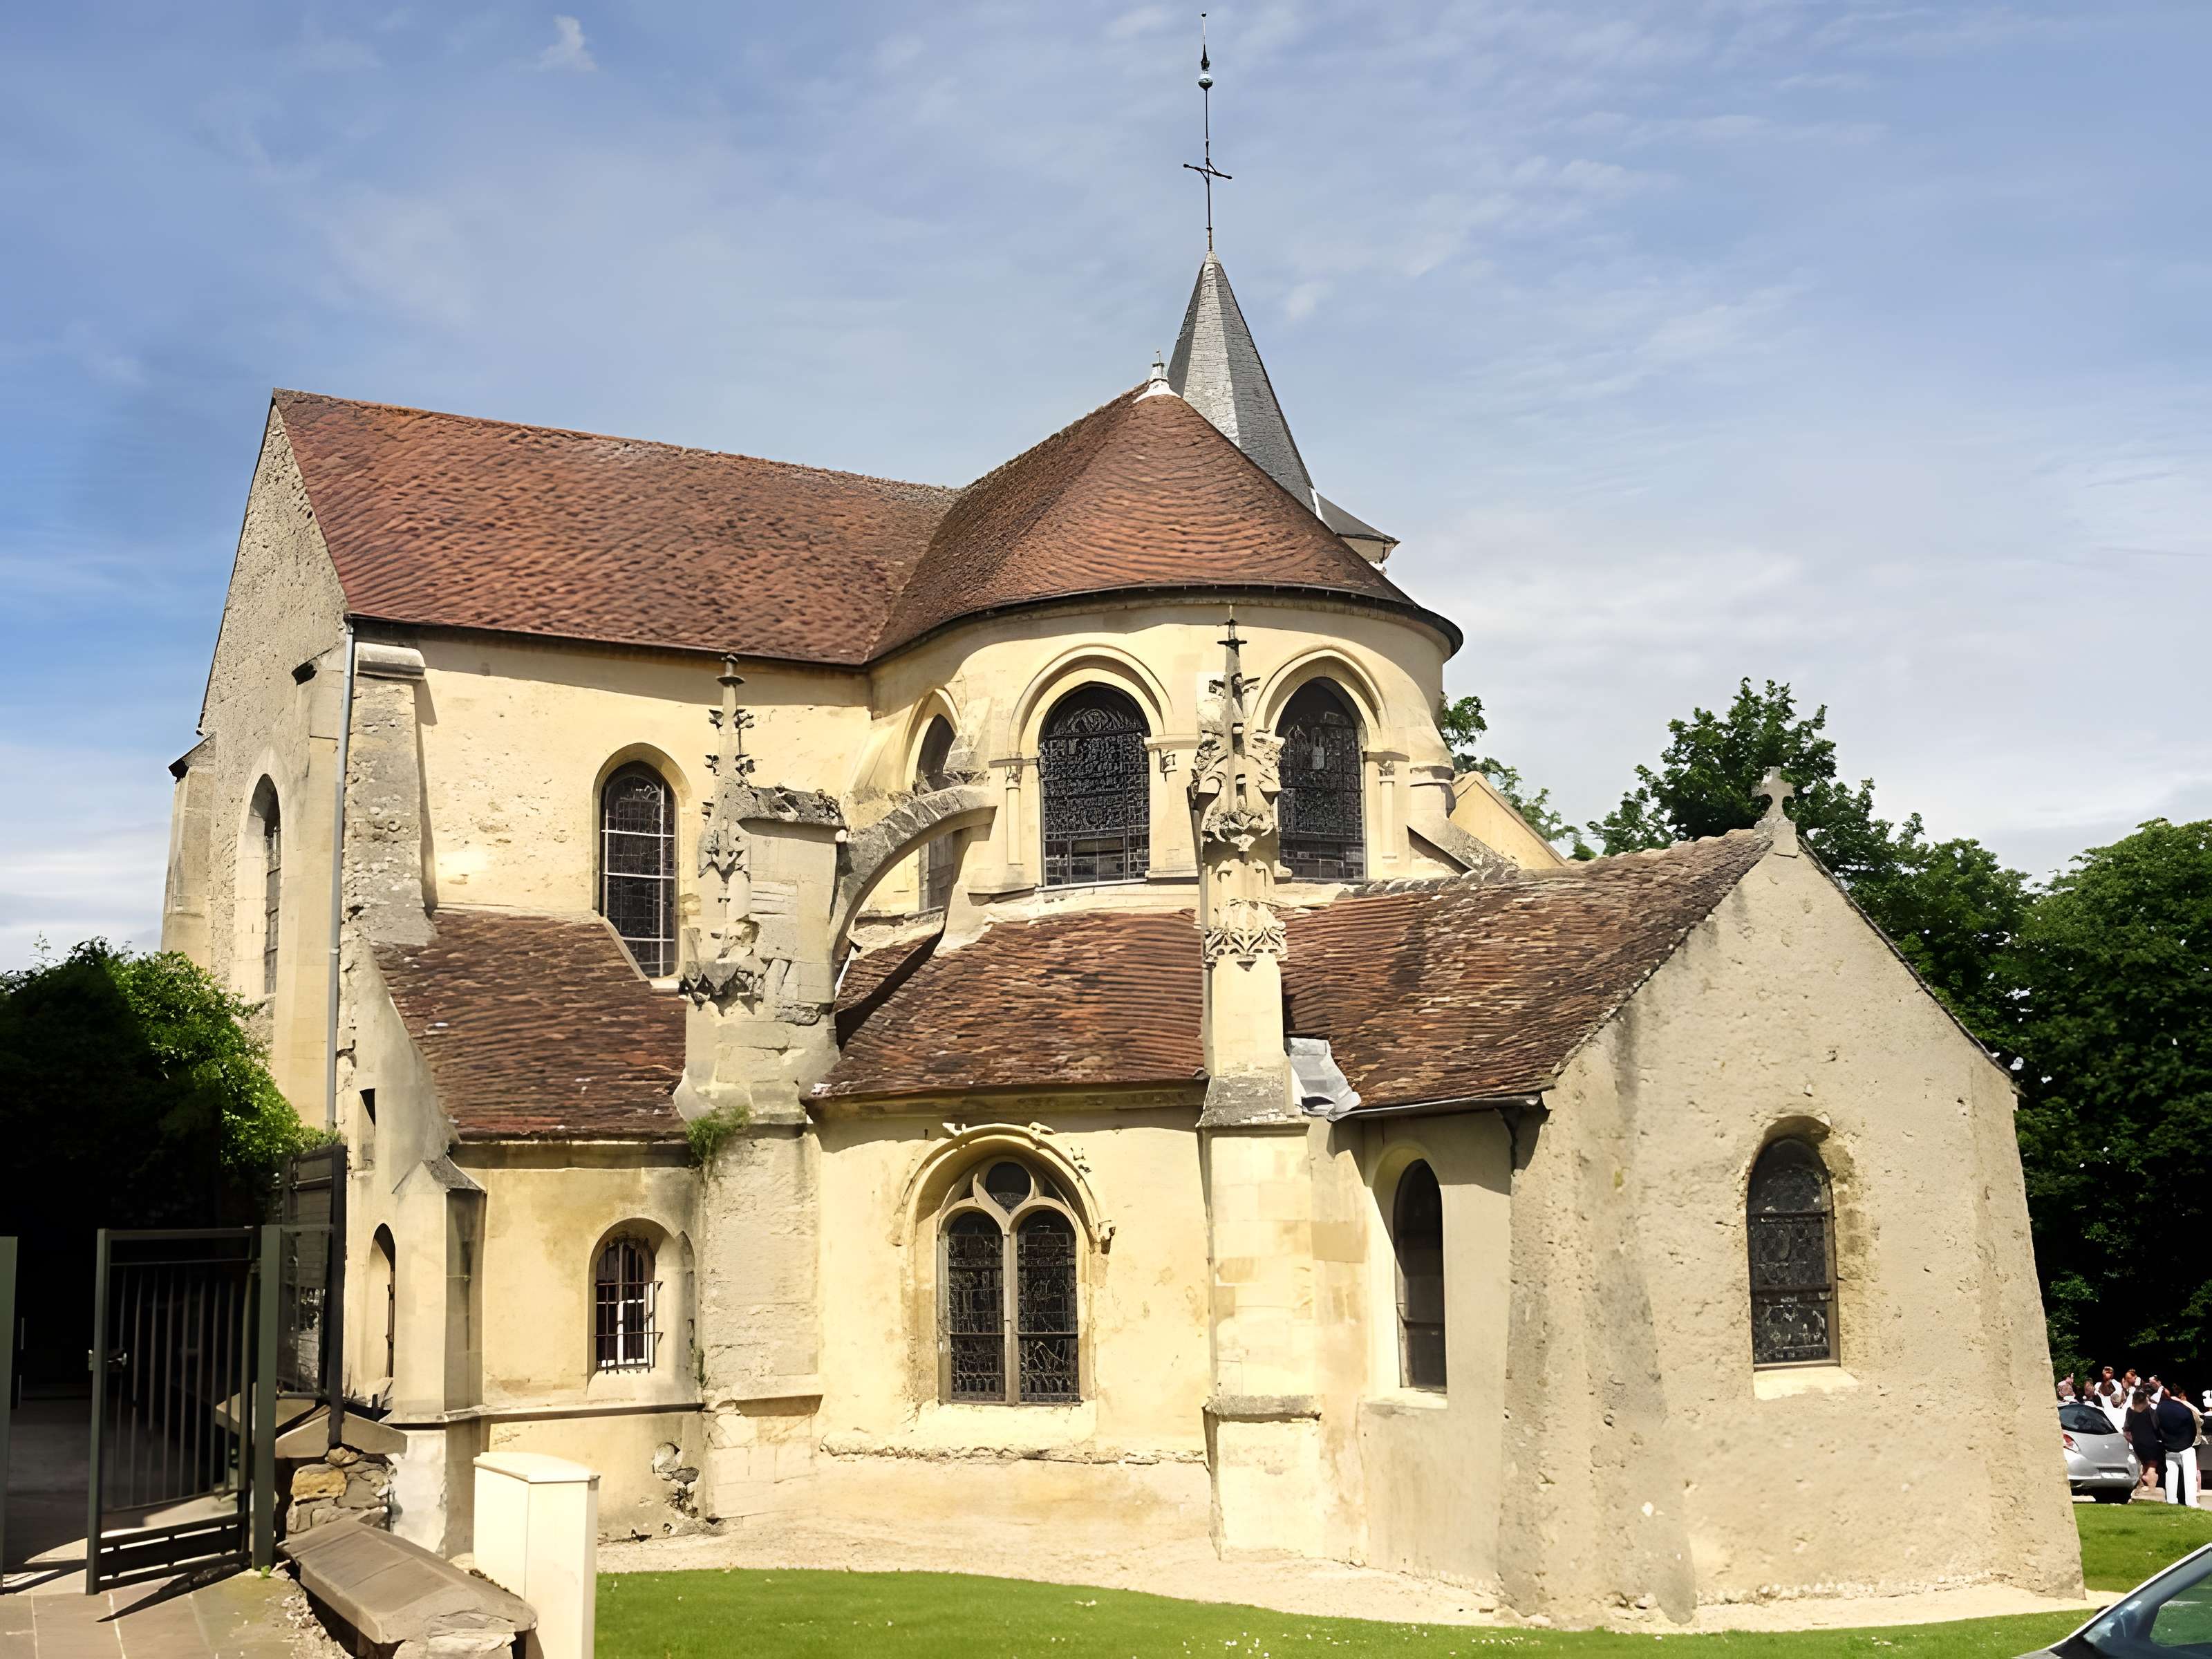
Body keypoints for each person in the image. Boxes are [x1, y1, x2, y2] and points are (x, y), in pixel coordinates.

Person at [2157, 1385, 2200, 1507]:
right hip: (2186, 1445)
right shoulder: (2184, 1408)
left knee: (2171, 1474)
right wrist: (2188, 1442)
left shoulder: (2159, 1409)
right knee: (2189, 1475)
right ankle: (2191, 1501)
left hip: (2169, 1447)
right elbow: (2193, 1427)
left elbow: (2157, 1427)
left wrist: (2165, 1442)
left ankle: (2171, 1500)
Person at [2130, 1389, 2165, 1494]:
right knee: (2152, 1467)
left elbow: (2127, 1430)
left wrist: (2134, 1442)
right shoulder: (2150, 1411)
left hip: (2137, 1444)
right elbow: (2156, 1426)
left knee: (2143, 1466)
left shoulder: (2130, 1411)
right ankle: (2152, 1491)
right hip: (2151, 1443)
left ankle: (2141, 1489)